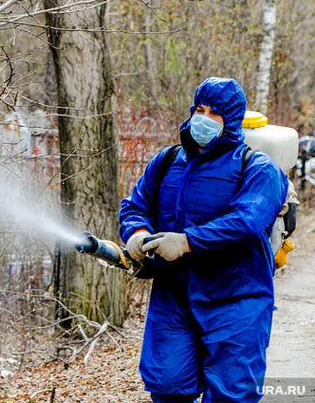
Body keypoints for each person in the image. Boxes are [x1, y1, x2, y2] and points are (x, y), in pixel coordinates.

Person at [119, 77, 289, 403]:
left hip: (238, 300)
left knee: (230, 395)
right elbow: (135, 206)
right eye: (200, 109)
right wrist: (137, 233)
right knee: (167, 386)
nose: (204, 118)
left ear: (233, 120)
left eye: (215, 113)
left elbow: (248, 220)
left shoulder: (258, 168)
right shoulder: (168, 161)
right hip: (174, 298)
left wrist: (186, 241)